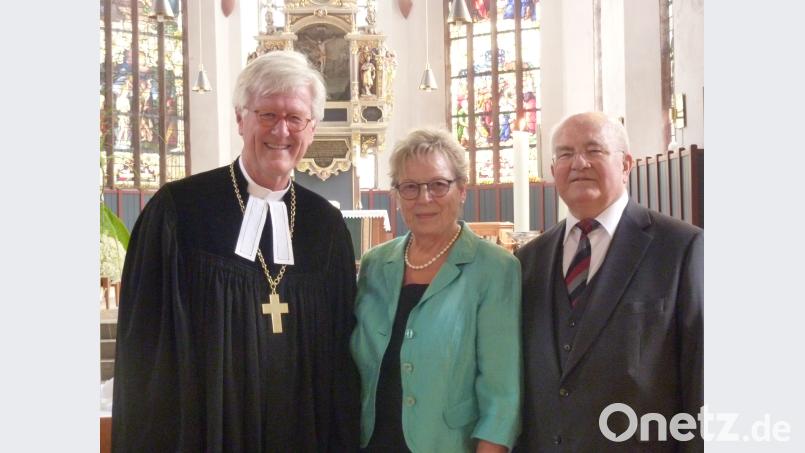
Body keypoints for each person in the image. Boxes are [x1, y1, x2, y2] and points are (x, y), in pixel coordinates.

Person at [112, 50, 360, 452]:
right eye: (267, 115)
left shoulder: (324, 226)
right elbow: (146, 347)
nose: (281, 131)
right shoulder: (180, 210)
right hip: (206, 429)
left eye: (295, 118)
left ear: (311, 129)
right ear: (240, 118)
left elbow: (339, 354)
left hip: (298, 429)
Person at [515, 112, 703, 451]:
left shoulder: (681, 248)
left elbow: (701, 378)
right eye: (565, 154)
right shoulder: (528, 260)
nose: (578, 163)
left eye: (594, 150)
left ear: (626, 164)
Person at [350, 129, 522, 453]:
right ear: (396, 195)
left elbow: (502, 395)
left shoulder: (494, 268)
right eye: (410, 187)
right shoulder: (375, 264)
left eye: (438, 185)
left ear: (462, 191)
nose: (424, 199)